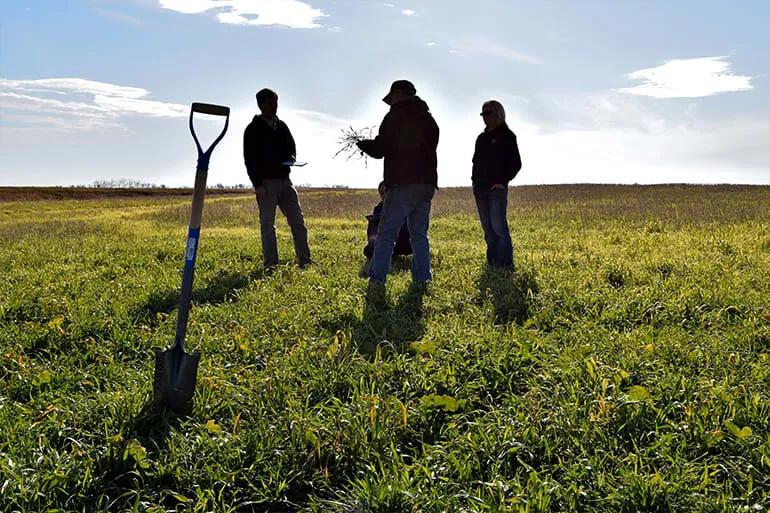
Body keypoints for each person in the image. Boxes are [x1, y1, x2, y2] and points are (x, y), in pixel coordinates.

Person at [357, 80, 439, 285]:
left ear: (399, 94)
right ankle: (423, 278)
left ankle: (376, 279)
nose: (391, 101)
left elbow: (381, 148)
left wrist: (363, 144)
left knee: (386, 234)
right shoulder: (428, 118)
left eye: (392, 97)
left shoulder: (395, 115)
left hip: (402, 183)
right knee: (419, 234)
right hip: (426, 184)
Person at [243, 88, 311, 270]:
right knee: (268, 226)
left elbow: (292, 147)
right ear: (260, 105)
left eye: (275, 103)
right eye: (270, 103)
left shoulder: (282, 126)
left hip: (285, 182)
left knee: (298, 222)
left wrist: (292, 159)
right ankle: (271, 265)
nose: (274, 107)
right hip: (266, 183)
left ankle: (305, 261)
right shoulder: (253, 129)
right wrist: (258, 185)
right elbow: (249, 160)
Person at [471, 100, 521, 269]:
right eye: (483, 114)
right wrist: (475, 183)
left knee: (499, 228)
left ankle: (506, 265)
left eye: (489, 113)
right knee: (488, 230)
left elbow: (516, 164)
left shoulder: (507, 136)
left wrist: (501, 182)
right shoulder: (481, 138)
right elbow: (475, 163)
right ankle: (493, 264)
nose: (485, 117)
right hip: (480, 190)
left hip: (496, 190)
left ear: (499, 114)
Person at [364, 181, 412, 259]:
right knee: (373, 223)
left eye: (386, 192)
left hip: (404, 242)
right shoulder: (379, 208)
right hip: (386, 239)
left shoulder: (403, 205)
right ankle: (374, 246)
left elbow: (406, 227)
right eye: (381, 193)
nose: (384, 195)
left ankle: (382, 250)